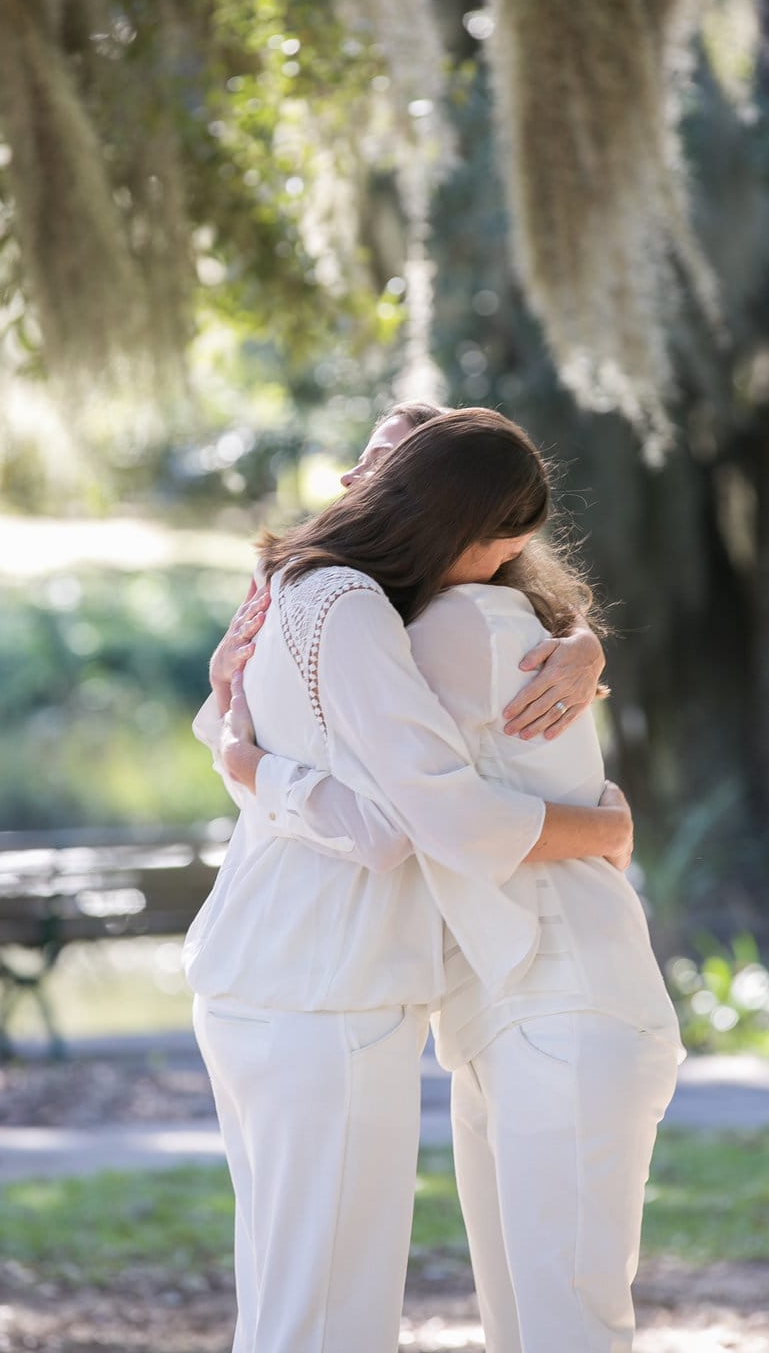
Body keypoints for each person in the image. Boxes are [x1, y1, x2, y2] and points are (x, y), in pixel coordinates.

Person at [218, 414, 684, 1352]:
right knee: (329, 1314)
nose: (359, 469)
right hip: (361, 989)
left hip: (438, 997)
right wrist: (603, 825)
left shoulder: (312, 593)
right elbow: (415, 821)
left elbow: (227, 714)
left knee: (299, 1300)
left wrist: (244, 758)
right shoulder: (368, 611)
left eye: (388, 454)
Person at [203, 400, 609, 739]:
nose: (349, 478)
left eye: (382, 464)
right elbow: (239, 724)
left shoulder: (481, 605)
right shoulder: (316, 585)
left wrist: (583, 641)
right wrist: (222, 680)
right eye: (363, 459)